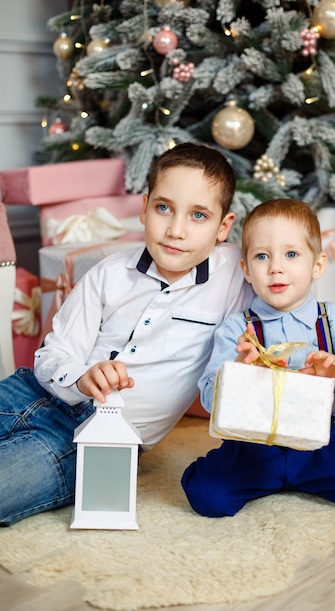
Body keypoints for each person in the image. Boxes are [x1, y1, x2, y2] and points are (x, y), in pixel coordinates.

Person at [0, 142, 254, 526]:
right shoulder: (109, 273)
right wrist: (82, 376)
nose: (176, 230)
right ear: (144, 207)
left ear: (223, 227)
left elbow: (287, 258)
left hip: (96, 443)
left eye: (198, 215)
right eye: (164, 208)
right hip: (31, 392)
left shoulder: (237, 275)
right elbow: (51, 356)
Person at [181, 198, 335, 517]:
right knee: (208, 498)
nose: (276, 267)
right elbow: (210, 397)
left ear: (317, 265)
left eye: (291, 254)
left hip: (318, 445)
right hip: (252, 447)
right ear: (246, 269)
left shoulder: (334, 320)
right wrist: (239, 372)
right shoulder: (237, 329)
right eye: (262, 256)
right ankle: (215, 469)